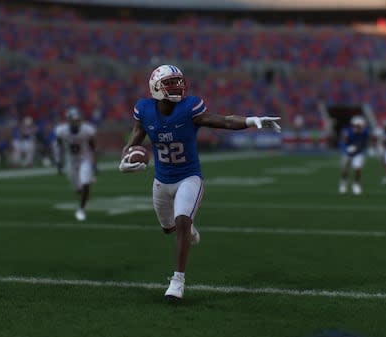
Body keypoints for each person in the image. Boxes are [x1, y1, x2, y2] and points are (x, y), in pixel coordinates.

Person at [118, 64, 281, 301]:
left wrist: (252, 120)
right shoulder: (144, 109)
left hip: (188, 177)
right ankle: (188, 229)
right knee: (169, 228)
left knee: (182, 221)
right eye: (170, 83)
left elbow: (223, 121)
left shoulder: (189, 107)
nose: (177, 87)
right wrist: (124, 160)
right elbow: (134, 139)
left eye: (178, 82)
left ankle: (177, 281)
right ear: (155, 87)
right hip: (161, 181)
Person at [53, 107, 97, 222]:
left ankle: (81, 210)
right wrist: (58, 162)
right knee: (78, 189)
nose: (75, 123)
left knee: (85, 183)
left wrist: (94, 163)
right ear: (68, 121)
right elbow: (58, 147)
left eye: (77, 120)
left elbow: (92, 147)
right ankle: (84, 195)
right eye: (73, 120)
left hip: (84, 160)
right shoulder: (61, 131)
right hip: (71, 162)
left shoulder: (87, 130)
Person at [340, 115, 370, 195]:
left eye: (360, 126)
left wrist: (357, 147)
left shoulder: (365, 132)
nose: (359, 127)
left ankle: (356, 184)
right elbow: (344, 141)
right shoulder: (348, 131)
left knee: (358, 169)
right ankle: (343, 183)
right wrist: (349, 146)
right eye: (357, 126)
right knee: (346, 168)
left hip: (359, 152)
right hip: (348, 152)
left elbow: (364, 143)